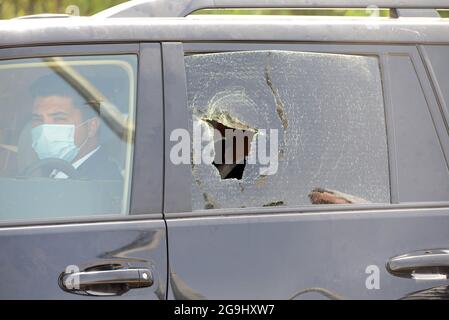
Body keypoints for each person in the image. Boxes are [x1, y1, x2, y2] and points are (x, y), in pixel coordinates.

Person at [29, 75, 122, 180]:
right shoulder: (48, 170)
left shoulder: (103, 180)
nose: (45, 132)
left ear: (92, 126)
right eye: (38, 119)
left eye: (59, 119)